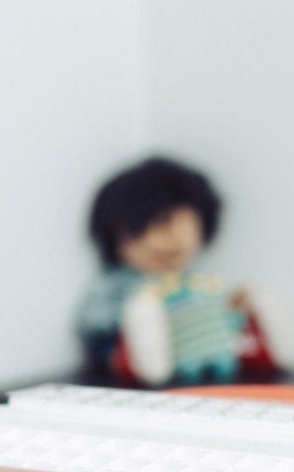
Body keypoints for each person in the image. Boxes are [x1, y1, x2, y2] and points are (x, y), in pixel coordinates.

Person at [76, 156, 290, 385]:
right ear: (117, 235)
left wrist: (236, 305)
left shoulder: (195, 282)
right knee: (142, 313)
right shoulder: (120, 284)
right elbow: (94, 319)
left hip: (206, 354)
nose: (174, 238)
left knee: (245, 327)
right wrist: (138, 307)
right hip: (137, 358)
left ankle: (276, 344)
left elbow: (212, 311)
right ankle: (149, 350)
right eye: (160, 224)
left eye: (185, 224)